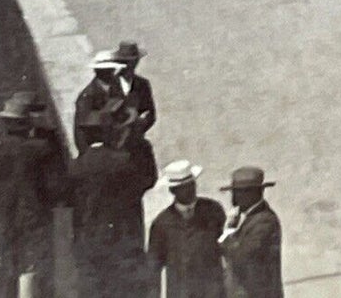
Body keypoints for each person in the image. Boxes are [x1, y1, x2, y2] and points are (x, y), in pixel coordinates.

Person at [68, 112, 158, 298]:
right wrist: (140, 142)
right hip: (122, 239)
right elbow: (148, 180)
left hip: (88, 243)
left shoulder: (76, 166)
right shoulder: (122, 162)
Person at [0, 90, 67, 298]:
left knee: (4, 270)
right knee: (30, 271)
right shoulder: (42, 151)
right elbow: (57, 187)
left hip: (1, 221)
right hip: (33, 220)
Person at [148, 161, 226, 298]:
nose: (190, 190)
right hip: (181, 292)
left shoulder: (213, 210)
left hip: (213, 291)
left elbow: (227, 248)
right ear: (172, 190)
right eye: (183, 187)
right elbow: (153, 267)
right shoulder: (162, 223)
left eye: (192, 184)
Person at [218, 167, 282, 298]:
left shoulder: (265, 221)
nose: (235, 197)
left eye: (241, 192)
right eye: (235, 192)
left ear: (257, 192)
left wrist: (227, 234)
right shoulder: (245, 218)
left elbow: (242, 254)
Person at [73, 53, 130, 155]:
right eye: (105, 70)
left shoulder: (116, 88)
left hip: (117, 144)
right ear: (97, 72)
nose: (110, 73)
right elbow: (82, 127)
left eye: (111, 69)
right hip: (96, 148)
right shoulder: (87, 96)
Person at [113, 41, 157, 143]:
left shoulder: (142, 84)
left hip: (136, 139)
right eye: (125, 62)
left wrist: (140, 127)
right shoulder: (111, 85)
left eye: (133, 62)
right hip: (114, 143)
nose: (129, 66)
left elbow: (151, 113)